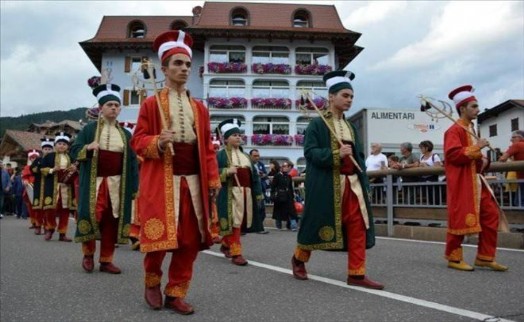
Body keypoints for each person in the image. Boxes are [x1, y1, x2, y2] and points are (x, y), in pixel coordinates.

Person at [130, 30, 220, 315]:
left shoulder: (200, 109)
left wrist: (213, 177)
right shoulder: (150, 104)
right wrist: (157, 141)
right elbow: (137, 141)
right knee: (159, 237)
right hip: (162, 178)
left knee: (191, 239)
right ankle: (152, 282)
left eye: (187, 65)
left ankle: (176, 291)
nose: (183, 69)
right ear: (164, 69)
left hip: (194, 179)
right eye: (177, 64)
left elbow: (206, 146)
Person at [290, 70, 383, 289]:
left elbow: (358, 156)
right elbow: (310, 153)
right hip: (326, 186)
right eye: (345, 95)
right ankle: (299, 259)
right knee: (316, 223)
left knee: (358, 225)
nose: (349, 100)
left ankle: (356, 274)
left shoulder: (351, 127)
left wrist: (363, 180)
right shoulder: (317, 125)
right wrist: (335, 155)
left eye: (351, 96)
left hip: (353, 185)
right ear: (331, 97)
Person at [70, 83, 139, 274]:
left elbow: (132, 162)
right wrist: (87, 148)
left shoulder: (125, 134)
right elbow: (74, 151)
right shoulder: (88, 130)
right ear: (101, 108)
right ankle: (88, 255)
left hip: (118, 184)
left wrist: (134, 186)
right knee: (92, 218)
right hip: (94, 183)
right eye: (110, 105)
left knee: (111, 221)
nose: (114, 108)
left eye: (117, 106)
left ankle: (106, 260)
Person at [444, 85, 507, 272]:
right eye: (473, 106)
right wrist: (477, 148)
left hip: (478, 181)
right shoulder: (453, 131)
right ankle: (454, 258)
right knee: (461, 219)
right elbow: (453, 155)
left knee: (491, 215)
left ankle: (485, 257)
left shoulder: (471, 128)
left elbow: (474, 159)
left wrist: (483, 159)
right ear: (462, 108)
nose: (477, 110)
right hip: (462, 183)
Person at [216, 119, 264, 265]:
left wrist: (258, 194)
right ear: (226, 139)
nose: (238, 137)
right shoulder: (221, 155)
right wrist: (225, 171)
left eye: (239, 135)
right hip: (230, 193)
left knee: (241, 222)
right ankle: (237, 253)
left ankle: (225, 244)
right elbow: (211, 173)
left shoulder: (247, 157)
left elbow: (254, 177)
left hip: (246, 193)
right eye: (234, 135)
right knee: (235, 222)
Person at [40, 132, 76, 242]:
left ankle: (62, 233)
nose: (62, 146)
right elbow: (41, 169)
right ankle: (49, 229)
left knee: (64, 210)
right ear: (55, 145)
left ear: (68, 146)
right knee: (50, 209)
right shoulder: (49, 156)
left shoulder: (70, 157)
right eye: (59, 143)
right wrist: (52, 170)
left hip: (66, 188)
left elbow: (76, 171)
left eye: (64, 144)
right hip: (52, 187)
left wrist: (74, 170)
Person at [31, 139, 54, 234]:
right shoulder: (38, 160)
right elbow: (33, 169)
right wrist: (41, 169)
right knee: (38, 208)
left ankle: (47, 226)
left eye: (49, 149)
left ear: (52, 150)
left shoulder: (53, 160)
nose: (47, 150)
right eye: (45, 149)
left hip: (49, 187)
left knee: (47, 208)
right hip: (38, 185)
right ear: (42, 150)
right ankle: (38, 225)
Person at [498, 130, 524, 206]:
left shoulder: (517, 145)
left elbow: (502, 159)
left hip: (522, 178)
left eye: (513, 137)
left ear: (519, 137)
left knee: (519, 203)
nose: (511, 140)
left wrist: (501, 157)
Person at [271, 161, 298, 231]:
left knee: (291, 211)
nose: (285, 168)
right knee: (278, 211)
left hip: (288, 196)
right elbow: (273, 187)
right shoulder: (277, 176)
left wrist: (292, 196)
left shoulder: (288, 176)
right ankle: (278, 225)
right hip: (280, 196)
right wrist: (273, 195)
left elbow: (290, 187)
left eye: (287, 166)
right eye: (284, 166)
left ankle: (293, 226)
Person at [249, 149, 270, 234]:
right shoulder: (248, 165)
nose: (257, 158)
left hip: (261, 190)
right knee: (256, 210)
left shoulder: (260, 164)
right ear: (250, 156)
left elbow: (265, 175)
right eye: (255, 156)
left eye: (258, 156)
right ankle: (257, 228)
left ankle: (259, 226)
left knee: (262, 210)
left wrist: (263, 175)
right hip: (253, 190)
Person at [418, 140, 442, 205]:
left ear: (427, 148)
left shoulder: (435, 157)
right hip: (423, 179)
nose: (421, 149)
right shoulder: (422, 157)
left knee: (434, 197)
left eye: (422, 148)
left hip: (432, 179)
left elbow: (438, 169)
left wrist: (427, 166)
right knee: (427, 197)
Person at [22, 150, 40, 228]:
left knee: (38, 206)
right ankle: (33, 222)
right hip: (30, 188)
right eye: (32, 157)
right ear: (30, 158)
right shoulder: (27, 167)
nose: (34, 159)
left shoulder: (40, 166)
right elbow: (25, 177)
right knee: (30, 207)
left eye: (35, 157)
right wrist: (25, 181)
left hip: (39, 187)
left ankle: (39, 222)